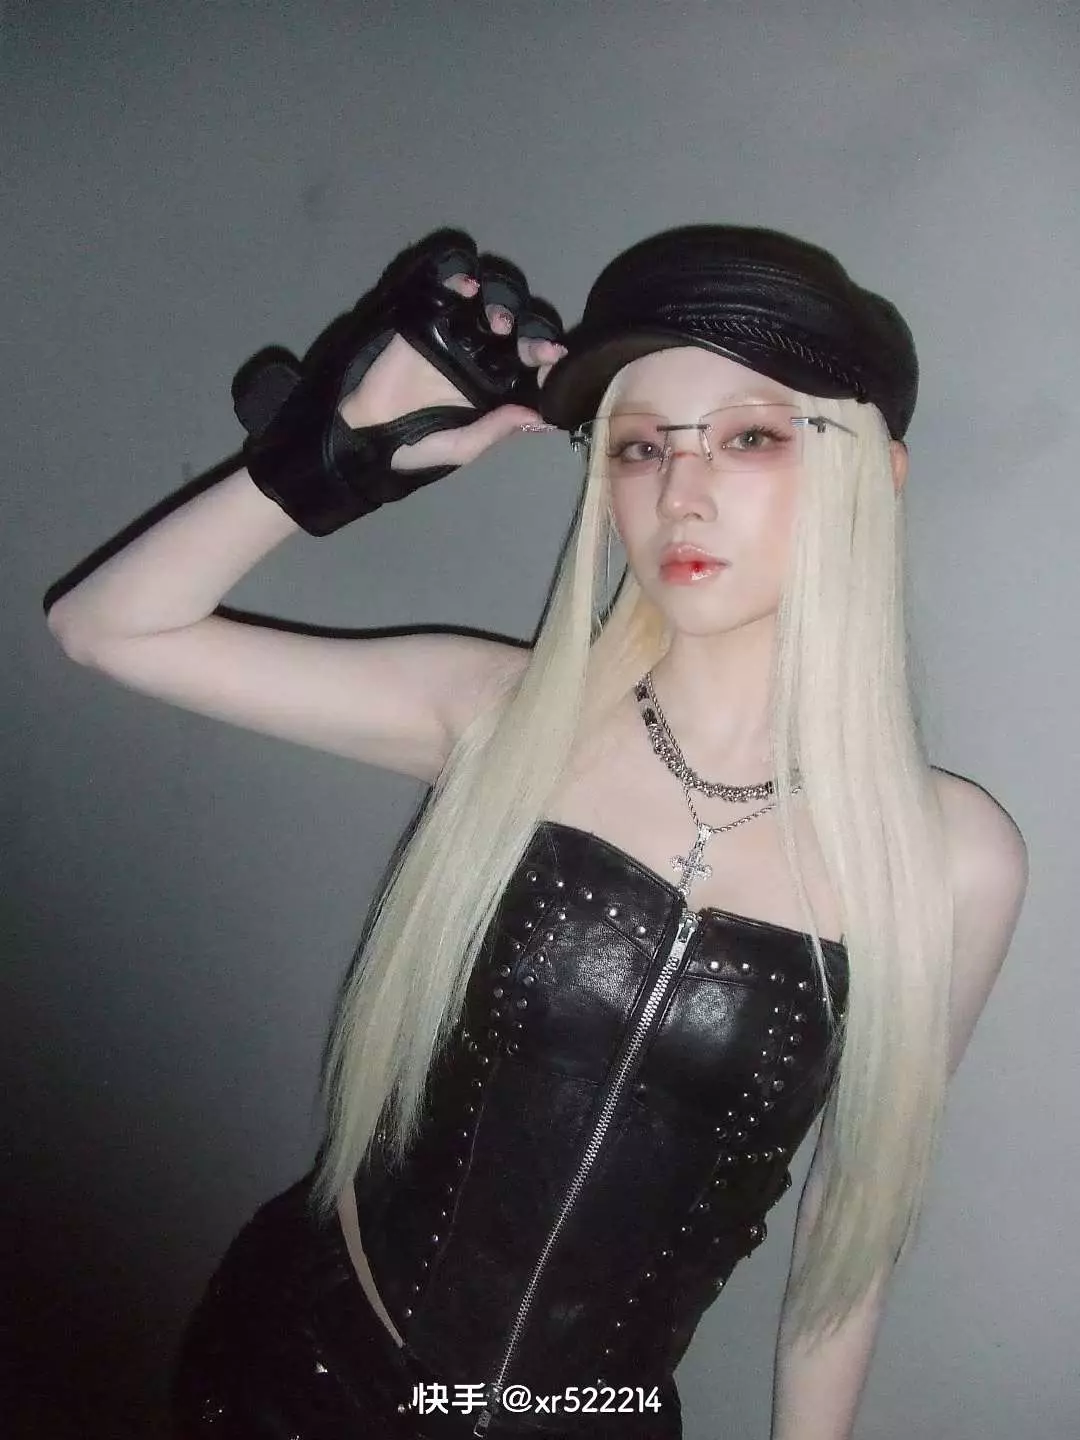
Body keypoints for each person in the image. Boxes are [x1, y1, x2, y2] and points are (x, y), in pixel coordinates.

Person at [44, 225, 1028, 1440]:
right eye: (639, 446)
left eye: (751, 436)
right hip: (296, 1383)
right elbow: (107, 628)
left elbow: (850, 1226)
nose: (681, 491)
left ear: (877, 471)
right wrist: (341, 448)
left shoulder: (952, 861)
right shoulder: (502, 718)